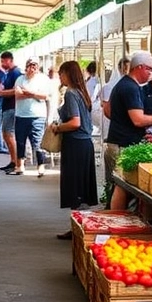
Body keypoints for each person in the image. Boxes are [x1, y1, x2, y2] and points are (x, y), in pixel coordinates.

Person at [105, 51, 152, 210]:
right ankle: (117, 224)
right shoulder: (131, 88)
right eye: (150, 69)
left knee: (122, 186)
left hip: (120, 142)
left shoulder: (126, 85)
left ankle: (118, 223)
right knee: (122, 186)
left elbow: (109, 110)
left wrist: (124, 122)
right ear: (139, 67)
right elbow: (138, 120)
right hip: (122, 145)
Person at [52, 61, 98, 240]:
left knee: (76, 187)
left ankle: (79, 228)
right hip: (85, 144)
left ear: (67, 74)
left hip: (75, 144)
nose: (59, 77)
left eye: (61, 73)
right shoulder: (82, 92)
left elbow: (75, 122)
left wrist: (58, 128)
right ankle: (80, 226)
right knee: (82, 187)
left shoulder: (71, 93)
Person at [14, 60, 51, 177]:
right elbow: (18, 95)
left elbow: (45, 96)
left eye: (34, 66)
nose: (32, 68)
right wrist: (35, 94)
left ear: (38, 67)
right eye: (30, 66)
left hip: (38, 115)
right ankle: (20, 165)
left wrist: (28, 92)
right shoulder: (20, 79)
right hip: (21, 114)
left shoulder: (43, 79)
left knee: (38, 142)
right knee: (20, 141)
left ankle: (41, 166)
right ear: (26, 67)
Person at [0, 51, 23, 173]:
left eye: (2, 61)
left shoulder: (15, 73)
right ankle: (13, 160)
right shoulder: (9, 73)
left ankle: (16, 162)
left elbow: (16, 90)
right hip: (7, 107)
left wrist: (1, 93)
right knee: (6, 134)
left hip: (12, 107)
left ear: (8, 60)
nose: (1, 64)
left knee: (8, 134)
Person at [101, 57, 130, 143]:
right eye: (124, 68)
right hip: (113, 123)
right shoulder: (108, 87)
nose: (126, 71)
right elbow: (106, 109)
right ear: (119, 68)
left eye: (127, 68)